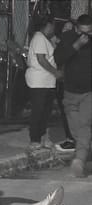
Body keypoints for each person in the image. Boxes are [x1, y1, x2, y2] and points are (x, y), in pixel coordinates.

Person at [54, 14, 92, 177]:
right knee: (75, 129)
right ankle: (84, 150)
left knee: (84, 126)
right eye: (82, 32)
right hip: (70, 92)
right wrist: (76, 46)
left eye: (89, 33)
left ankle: (79, 160)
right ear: (76, 28)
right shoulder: (69, 38)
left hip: (88, 93)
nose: (86, 36)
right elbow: (58, 58)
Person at [25, 15, 63, 151]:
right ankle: (34, 139)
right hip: (39, 81)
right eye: (53, 25)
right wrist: (55, 72)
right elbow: (41, 59)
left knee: (45, 111)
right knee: (38, 111)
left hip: (46, 82)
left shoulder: (45, 39)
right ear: (49, 25)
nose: (54, 28)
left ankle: (42, 137)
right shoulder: (39, 38)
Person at [54, 20, 76, 153]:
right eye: (64, 29)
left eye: (69, 29)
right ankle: (71, 138)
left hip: (70, 84)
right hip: (61, 82)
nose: (66, 32)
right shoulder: (61, 45)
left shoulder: (74, 47)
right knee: (65, 112)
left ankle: (72, 140)